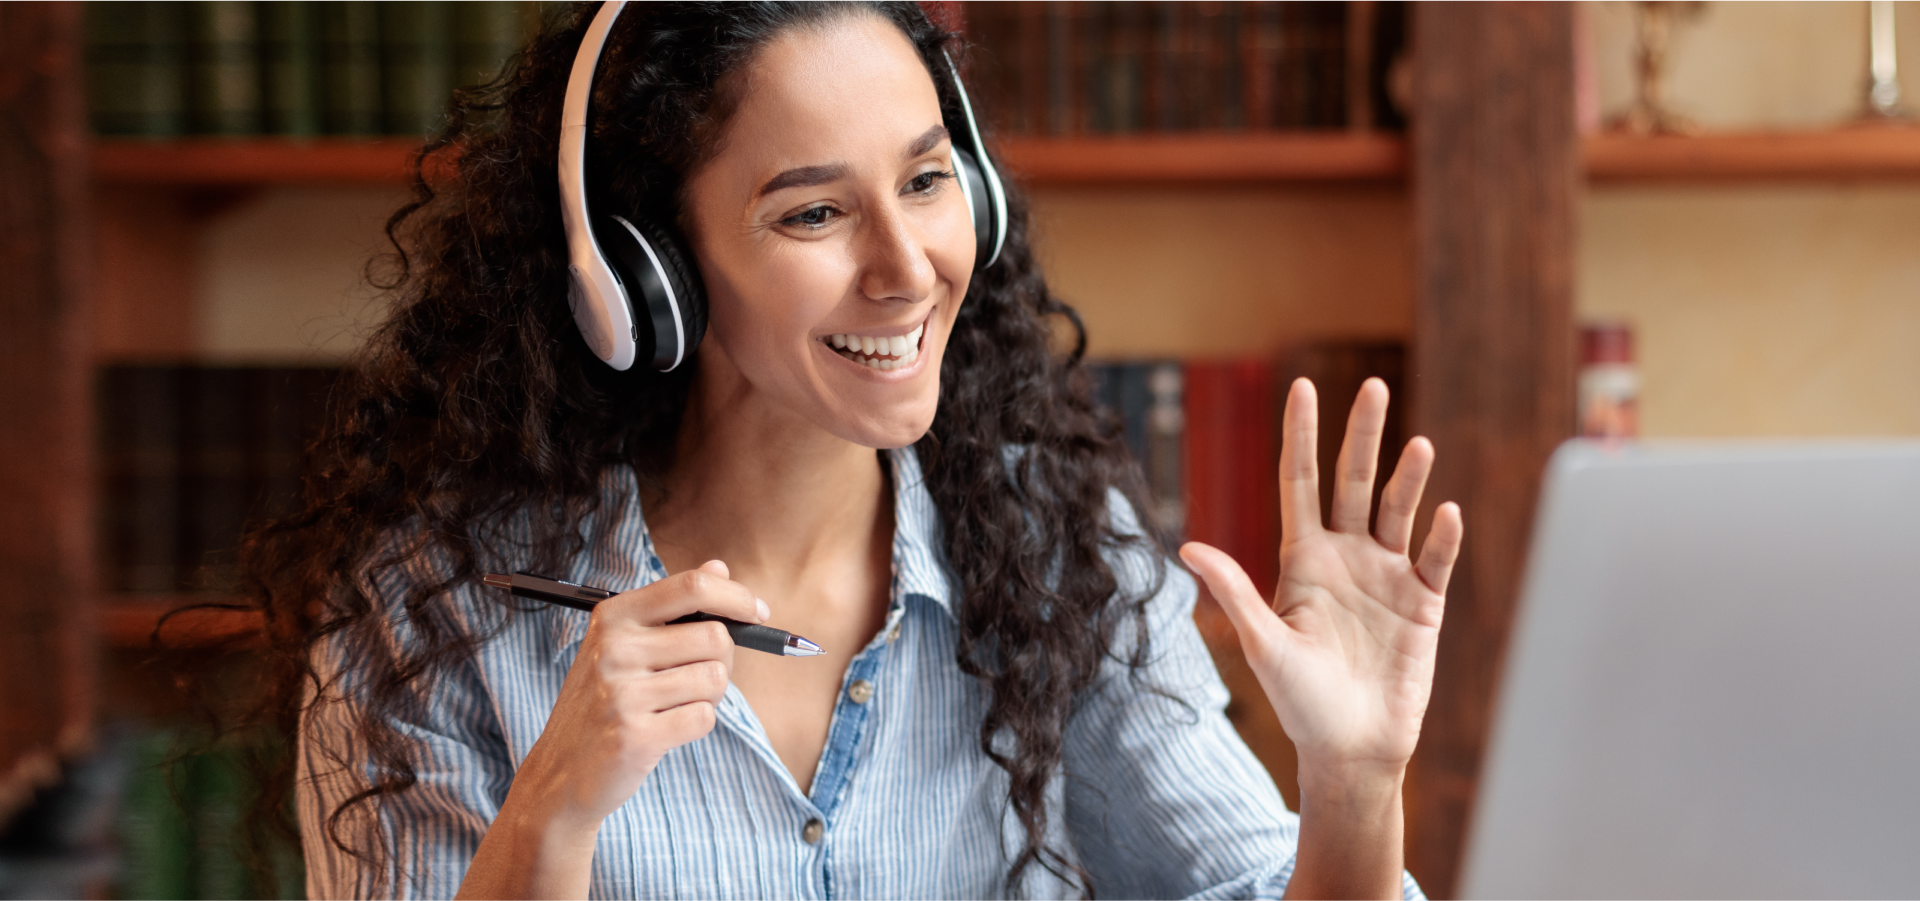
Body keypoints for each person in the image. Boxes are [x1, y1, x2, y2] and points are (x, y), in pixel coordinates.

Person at [245, 0, 1464, 897]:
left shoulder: (1056, 549)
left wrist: (1354, 782)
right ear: (643, 275)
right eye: (815, 211)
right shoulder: (429, 618)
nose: (906, 268)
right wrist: (553, 813)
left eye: (928, 182)